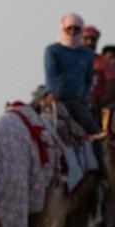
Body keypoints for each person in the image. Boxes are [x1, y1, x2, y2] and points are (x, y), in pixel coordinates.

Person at [44, 13, 101, 159]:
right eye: (69, 29)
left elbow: (87, 80)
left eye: (76, 29)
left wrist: (84, 98)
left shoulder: (87, 54)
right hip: (54, 97)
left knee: (95, 133)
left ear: (81, 31)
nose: (72, 32)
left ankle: (102, 171)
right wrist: (51, 92)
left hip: (75, 101)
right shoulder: (53, 51)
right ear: (63, 29)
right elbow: (50, 74)